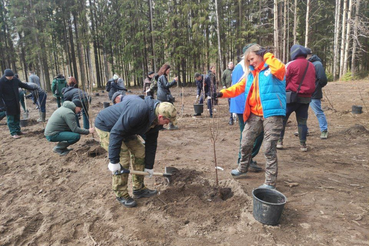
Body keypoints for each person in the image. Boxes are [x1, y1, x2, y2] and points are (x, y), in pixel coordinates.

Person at [216, 44, 286, 189]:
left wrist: (267, 55)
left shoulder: (273, 68)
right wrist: (222, 94)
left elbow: (280, 70)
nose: (251, 63)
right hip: (254, 113)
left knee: (269, 147)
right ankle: (243, 167)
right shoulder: (251, 73)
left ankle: (270, 182)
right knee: (246, 141)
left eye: (252, 59)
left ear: (261, 54)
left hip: (272, 113)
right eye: (249, 61)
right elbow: (239, 87)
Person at [94, 95, 178, 207]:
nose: (167, 124)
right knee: (123, 158)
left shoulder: (156, 121)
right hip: (107, 126)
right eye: (167, 121)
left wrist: (149, 166)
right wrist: (114, 161)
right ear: (161, 116)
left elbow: (151, 143)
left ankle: (139, 189)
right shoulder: (138, 111)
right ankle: (121, 194)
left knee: (140, 152)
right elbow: (116, 133)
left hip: (126, 129)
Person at [230, 44, 263, 172]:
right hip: (244, 105)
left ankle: (246, 158)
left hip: (238, 105)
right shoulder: (247, 67)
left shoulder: (239, 66)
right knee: (252, 134)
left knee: (247, 134)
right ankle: (245, 159)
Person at [277, 44, 316, 152]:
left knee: (283, 120)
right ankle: (303, 145)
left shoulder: (292, 65)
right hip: (306, 98)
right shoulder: (311, 65)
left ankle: (279, 141)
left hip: (291, 98)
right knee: (302, 121)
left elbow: (285, 80)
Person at [0, 69, 35, 138]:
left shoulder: (15, 79)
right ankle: (13, 133)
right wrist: (1, 105)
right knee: (10, 118)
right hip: (7, 103)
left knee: (17, 116)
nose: (11, 78)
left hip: (16, 101)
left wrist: (31, 88)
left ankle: (18, 130)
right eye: (9, 77)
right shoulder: (1, 82)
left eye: (12, 76)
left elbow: (22, 85)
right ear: (5, 76)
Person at [306, 48, 329, 139]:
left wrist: (316, 87)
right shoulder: (306, 64)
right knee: (303, 113)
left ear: (308, 55)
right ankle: (304, 129)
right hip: (304, 93)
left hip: (314, 94)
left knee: (318, 112)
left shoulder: (317, 64)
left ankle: (324, 130)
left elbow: (323, 79)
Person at [156, 64, 178, 130]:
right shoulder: (162, 76)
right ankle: (171, 125)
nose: (169, 71)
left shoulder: (161, 77)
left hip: (161, 95)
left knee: (161, 110)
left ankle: (160, 126)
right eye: (168, 70)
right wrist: (174, 81)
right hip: (164, 96)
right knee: (170, 109)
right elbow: (166, 85)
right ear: (164, 70)